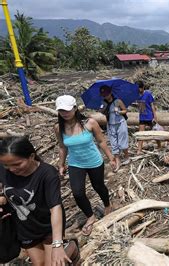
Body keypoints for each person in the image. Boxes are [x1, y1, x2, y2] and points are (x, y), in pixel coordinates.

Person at [0, 137, 71, 265]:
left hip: (48, 225)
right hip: (25, 228)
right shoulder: (3, 169)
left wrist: (57, 244)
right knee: (39, 264)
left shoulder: (47, 173)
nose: (11, 169)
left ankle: (72, 249)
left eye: (17, 164)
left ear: (31, 156)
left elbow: (55, 207)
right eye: (6, 165)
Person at [55, 95, 115, 236]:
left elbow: (101, 141)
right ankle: (90, 216)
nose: (64, 113)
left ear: (75, 108)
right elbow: (62, 147)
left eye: (67, 109)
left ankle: (107, 205)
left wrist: (111, 158)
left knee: (98, 186)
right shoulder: (59, 128)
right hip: (76, 163)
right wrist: (61, 164)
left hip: (94, 161)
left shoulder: (90, 123)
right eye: (61, 110)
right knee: (77, 192)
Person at [99, 85, 130, 169]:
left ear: (110, 93)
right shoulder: (103, 103)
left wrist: (119, 111)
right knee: (113, 142)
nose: (105, 96)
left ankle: (127, 157)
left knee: (122, 140)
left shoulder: (118, 101)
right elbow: (102, 112)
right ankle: (118, 160)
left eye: (106, 94)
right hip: (110, 124)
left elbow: (125, 110)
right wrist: (103, 111)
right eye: (103, 95)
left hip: (120, 123)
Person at [135, 81, 160, 155]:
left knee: (155, 133)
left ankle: (159, 146)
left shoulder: (148, 94)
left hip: (149, 116)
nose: (138, 90)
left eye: (139, 88)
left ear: (143, 87)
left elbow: (152, 105)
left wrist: (154, 116)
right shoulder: (137, 95)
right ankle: (139, 149)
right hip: (142, 117)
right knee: (141, 134)